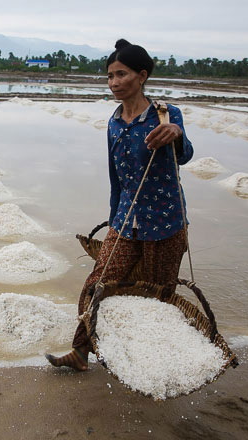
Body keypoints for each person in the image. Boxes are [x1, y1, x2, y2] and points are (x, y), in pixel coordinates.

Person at [45, 39, 194, 371]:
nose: (113, 83)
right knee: (96, 286)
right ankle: (81, 352)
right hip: (126, 222)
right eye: (110, 76)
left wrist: (176, 133)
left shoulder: (165, 114)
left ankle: (150, 365)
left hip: (165, 223)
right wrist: (115, 219)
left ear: (141, 76)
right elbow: (117, 177)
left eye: (121, 74)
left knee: (156, 298)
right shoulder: (114, 122)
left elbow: (184, 156)